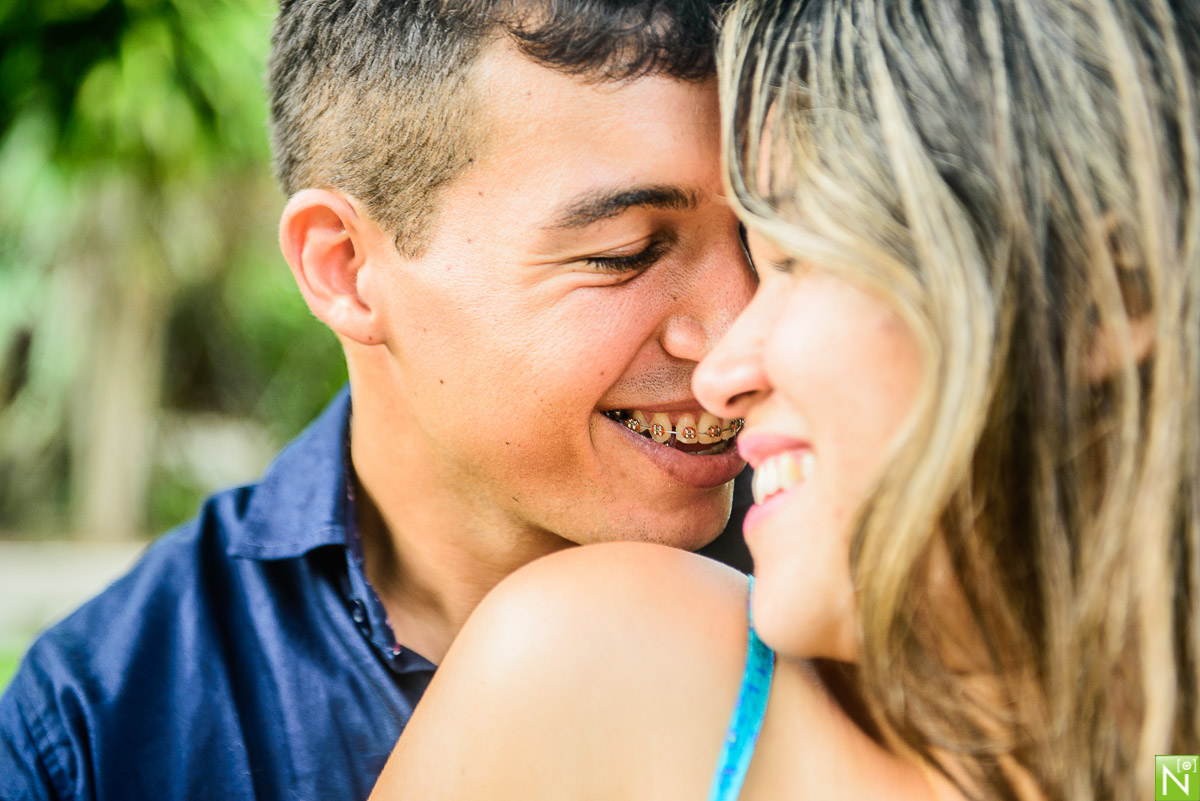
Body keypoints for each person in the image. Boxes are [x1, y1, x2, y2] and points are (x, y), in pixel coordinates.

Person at [368, 0, 1200, 798]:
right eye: (625, 253)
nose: (722, 370)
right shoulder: (600, 667)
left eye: (797, 259)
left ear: (1105, 294)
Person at [0, 2, 760, 799]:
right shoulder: (102, 730)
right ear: (344, 267)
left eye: (764, 236)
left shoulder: (848, 582)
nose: (745, 327)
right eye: (624, 254)